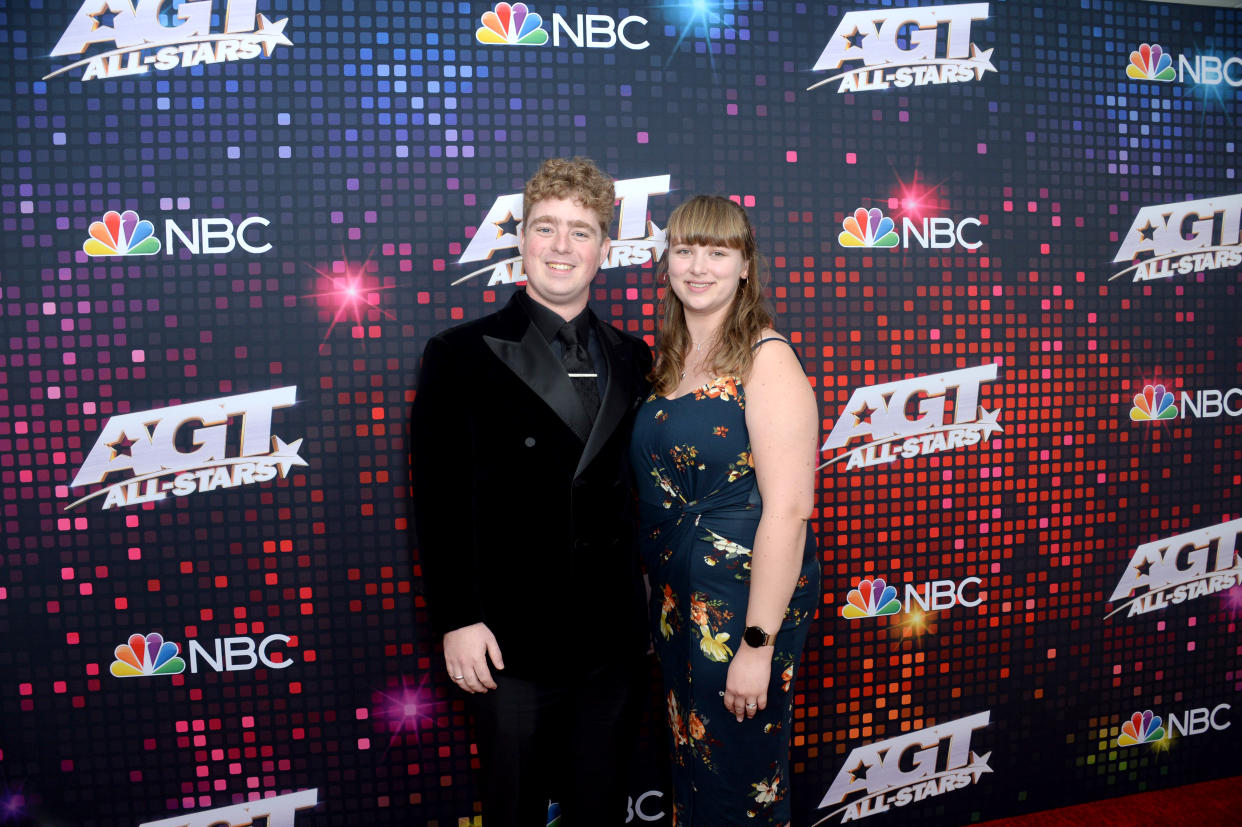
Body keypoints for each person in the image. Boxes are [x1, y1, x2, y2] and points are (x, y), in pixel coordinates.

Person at [411, 157, 653, 826]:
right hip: (507, 638)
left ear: (605, 248)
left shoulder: (634, 356)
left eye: (581, 231)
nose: (561, 246)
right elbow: (437, 498)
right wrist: (456, 618)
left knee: (599, 809)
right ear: (520, 241)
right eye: (546, 227)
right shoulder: (459, 353)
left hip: (612, 638)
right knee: (513, 809)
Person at [629, 195, 821, 825]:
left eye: (718, 251)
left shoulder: (767, 358)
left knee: (739, 774)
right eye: (685, 250)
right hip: (678, 597)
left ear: (746, 266)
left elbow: (790, 510)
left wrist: (758, 646)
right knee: (694, 767)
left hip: (743, 606)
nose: (699, 266)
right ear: (667, 262)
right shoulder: (671, 361)